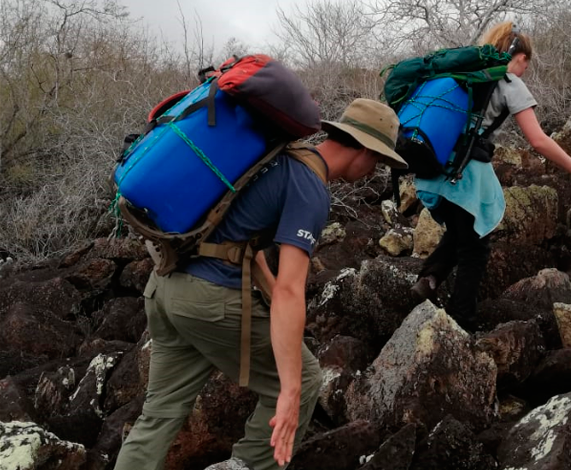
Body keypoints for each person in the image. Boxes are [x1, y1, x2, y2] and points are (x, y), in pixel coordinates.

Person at [114, 98, 408, 470]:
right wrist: (291, 386)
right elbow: (290, 288)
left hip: (165, 288)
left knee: (159, 413)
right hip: (209, 301)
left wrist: (276, 316)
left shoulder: (276, 156)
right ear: (365, 150)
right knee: (302, 378)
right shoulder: (310, 187)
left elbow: (242, 247)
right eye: (379, 160)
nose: (374, 170)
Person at [410, 21, 571, 332]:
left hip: (432, 169)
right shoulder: (509, 81)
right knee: (475, 248)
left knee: (460, 231)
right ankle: (462, 324)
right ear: (520, 57)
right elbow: (538, 140)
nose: (524, 70)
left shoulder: (460, 74)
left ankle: (429, 279)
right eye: (526, 64)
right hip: (464, 176)